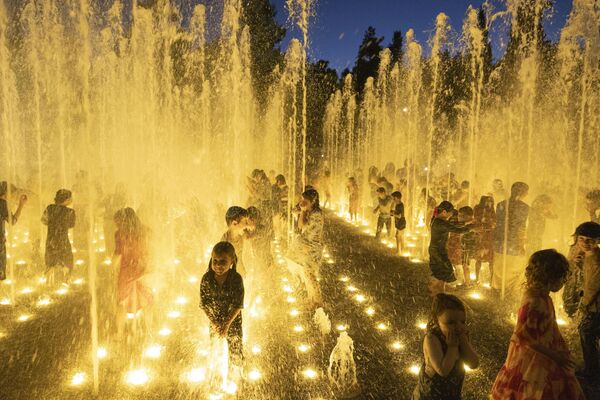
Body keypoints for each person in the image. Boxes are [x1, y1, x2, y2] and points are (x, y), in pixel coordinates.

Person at [491, 249, 585, 399]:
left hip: (543, 354)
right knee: (533, 391)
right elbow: (523, 337)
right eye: (561, 278)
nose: (563, 282)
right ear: (549, 277)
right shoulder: (535, 301)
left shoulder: (542, 297)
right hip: (532, 360)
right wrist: (556, 356)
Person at [412, 293, 479, 400]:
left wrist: (464, 342)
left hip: (452, 393)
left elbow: (473, 363)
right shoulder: (432, 339)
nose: (458, 327)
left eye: (462, 321)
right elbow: (443, 371)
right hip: (431, 394)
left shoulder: (460, 336)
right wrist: (452, 348)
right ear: (436, 321)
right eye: (451, 323)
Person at [200, 241, 244, 369]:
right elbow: (205, 304)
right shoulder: (207, 279)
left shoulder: (236, 279)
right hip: (215, 321)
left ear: (232, 262)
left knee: (235, 349)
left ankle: (237, 377)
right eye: (215, 261)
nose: (218, 265)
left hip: (233, 321)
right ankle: (216, 377)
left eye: (223, 262)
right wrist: (215, 323)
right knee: (215, 349)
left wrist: (226, 324)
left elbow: (238, 305)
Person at [113, 208, 153, 338]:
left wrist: (113, 270)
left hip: (126, 270)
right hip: (142, 268)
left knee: (122, 302)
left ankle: (119, 334)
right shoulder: (145, 231)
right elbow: (150, 249)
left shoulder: (120, 234)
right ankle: (149, 331)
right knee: (147, 301)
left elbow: (118, 254)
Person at [428, 201, 474, 294]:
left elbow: (454, 226)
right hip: (437, 250)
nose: (450, 216)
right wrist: (471, 228)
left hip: (438, 249)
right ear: (444, 212)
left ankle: (439, 292)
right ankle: (433, 289)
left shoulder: (437, 220)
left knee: (442, 272)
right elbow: (456, 229)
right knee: (443, 271)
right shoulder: (441, 222)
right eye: (450, 214)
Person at [492, 182, 529, 295]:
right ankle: (511, 293)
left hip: (499, 243)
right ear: (523, 193)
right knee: (517, 269)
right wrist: (521, 244)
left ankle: (497, 293)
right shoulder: (524, 207)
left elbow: (498, 224)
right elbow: (520, 227)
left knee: (499, 270)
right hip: (514, 245)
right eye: (526, 191)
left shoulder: (500, 204)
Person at [575, 221, 600, 383]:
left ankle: (592, 371)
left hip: (595, 307)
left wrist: (584, 304)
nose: (584, 243)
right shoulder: (590, 256)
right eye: (581, 238)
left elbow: (593, 284)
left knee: (586, 333)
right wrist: (579, 265)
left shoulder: (596, 260)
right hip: (594, 306)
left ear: (598, 240)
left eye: (589, 240)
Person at [289, 188, 324, 304]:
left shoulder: (316, 215)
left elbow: (301, 226)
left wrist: (302, 212)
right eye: (301, 199)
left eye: (305, 200)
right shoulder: (312, 211)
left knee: (310, 275)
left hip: (312, 248)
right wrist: (299, 209)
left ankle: (318, 301)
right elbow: (295, 212)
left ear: (313, 202)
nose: (302, 202)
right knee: (306, 273)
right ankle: (311, 299)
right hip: (307, 246)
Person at [42, 189, 75, 283]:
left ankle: (48, 283)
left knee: (50, 263)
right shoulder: (70, 212)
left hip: (51, 240)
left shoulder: (49, 208)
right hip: (63, 241)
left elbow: (44, 221)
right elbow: (71, 225)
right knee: (67, 262)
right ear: (67, 199)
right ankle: (67, 281)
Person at [0, 182, 27, 280]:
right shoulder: (2, 203)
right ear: (6, 193)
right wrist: (21, 205)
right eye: (12, 194)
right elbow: (13, 221)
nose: (13, 197)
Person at [221, 206, 249, 276]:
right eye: (245, 222)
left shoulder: (239, 238)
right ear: (234, 223)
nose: (247, 225)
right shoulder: (225, 243)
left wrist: (241, 268)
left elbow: (239, 257)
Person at [473, 196, 495, 284]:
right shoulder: (478, 208)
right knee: (479, 257)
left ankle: (491, 279)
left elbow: (494, 221)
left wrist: (492, 223)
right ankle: (477, 278)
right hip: (480, 236)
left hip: (490, 236)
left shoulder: (492, 210)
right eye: (488, 201)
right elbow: (477, 220)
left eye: (491, 201)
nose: (489, 202)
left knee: (491, 259)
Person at [458, 207, 477, 287]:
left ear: (467, 216)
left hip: (467, 249)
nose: (458, 217)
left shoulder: (471, 225)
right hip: (465, 248)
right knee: (465, 265)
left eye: (460, 216)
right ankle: (467, 281)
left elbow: (471, 237)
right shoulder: (468, 224)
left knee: (465, 265)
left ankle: (467, 283)